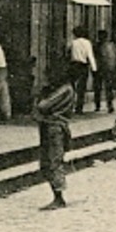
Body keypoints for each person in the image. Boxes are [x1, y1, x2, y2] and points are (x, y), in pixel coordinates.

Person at [33, 80, 75, 210]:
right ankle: (57, 195)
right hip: (49, 126)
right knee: (47, 162)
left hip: (55, 127)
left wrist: (40, 97)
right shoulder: (63, 88)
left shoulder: (65, 89)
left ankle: (58, 197)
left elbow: (43, 106)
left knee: (53, 161)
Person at [67, 25, 96, 113]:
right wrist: (94, 68)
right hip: (83, 66)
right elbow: (90, 56)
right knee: (81, 87)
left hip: (73, 65)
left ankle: (70, 106)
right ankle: (79, 108)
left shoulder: (73, 43)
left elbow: (68, 53)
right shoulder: (87, 43)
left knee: (72, 86)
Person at [94, 29, 116, 113]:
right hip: (108, 68)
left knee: (98, 87)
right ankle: (109, 105)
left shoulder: (97, 45)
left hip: (99, 68)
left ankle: (98, 105)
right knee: (108, 87)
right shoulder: (112, 45)